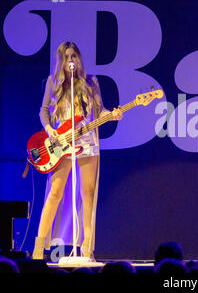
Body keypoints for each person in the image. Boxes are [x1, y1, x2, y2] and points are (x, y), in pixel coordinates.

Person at [32, 41, 123, 260]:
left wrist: (112, 114)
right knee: (55, 193)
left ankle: (87, 248)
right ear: (61, 61)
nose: (71, 61)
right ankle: (38, 246)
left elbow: (100, 111)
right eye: (67, 57)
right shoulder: (53, 82)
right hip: (62, 142)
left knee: (88, 194)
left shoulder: (91, 82)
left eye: (74, 56)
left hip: (87, 142)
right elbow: (44, 110)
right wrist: (49, 129)